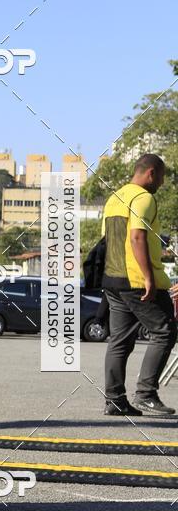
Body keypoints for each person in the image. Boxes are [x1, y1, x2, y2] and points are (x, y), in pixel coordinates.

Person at [102, 153, 177, 416]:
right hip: (137, 280)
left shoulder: (114, 198)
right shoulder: (143, 198)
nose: (162, 183)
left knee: (119, 341)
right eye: (162, 177)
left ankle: (115, 400)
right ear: (152, 173)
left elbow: (108, 240)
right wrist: (148, 277)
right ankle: (146, 393)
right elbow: (136, 237)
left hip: (113, 279)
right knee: (165, 330)